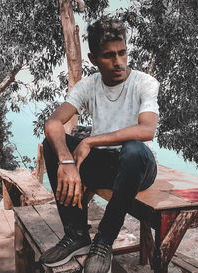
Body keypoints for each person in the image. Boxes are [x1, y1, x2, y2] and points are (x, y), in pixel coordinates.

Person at [39, 17, 159, 273]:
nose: (118, 62)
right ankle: (76, 235)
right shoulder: (89, 85)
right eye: (108, 56)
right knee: (51, 144)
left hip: (138, 167)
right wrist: (66, 160)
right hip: (106, 164)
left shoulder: (144, 83)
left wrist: (90, 141)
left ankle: (104, 240)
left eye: (122, 53)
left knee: (133, 149)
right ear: (94, 59)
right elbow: (53, 123)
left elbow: (147, 130)